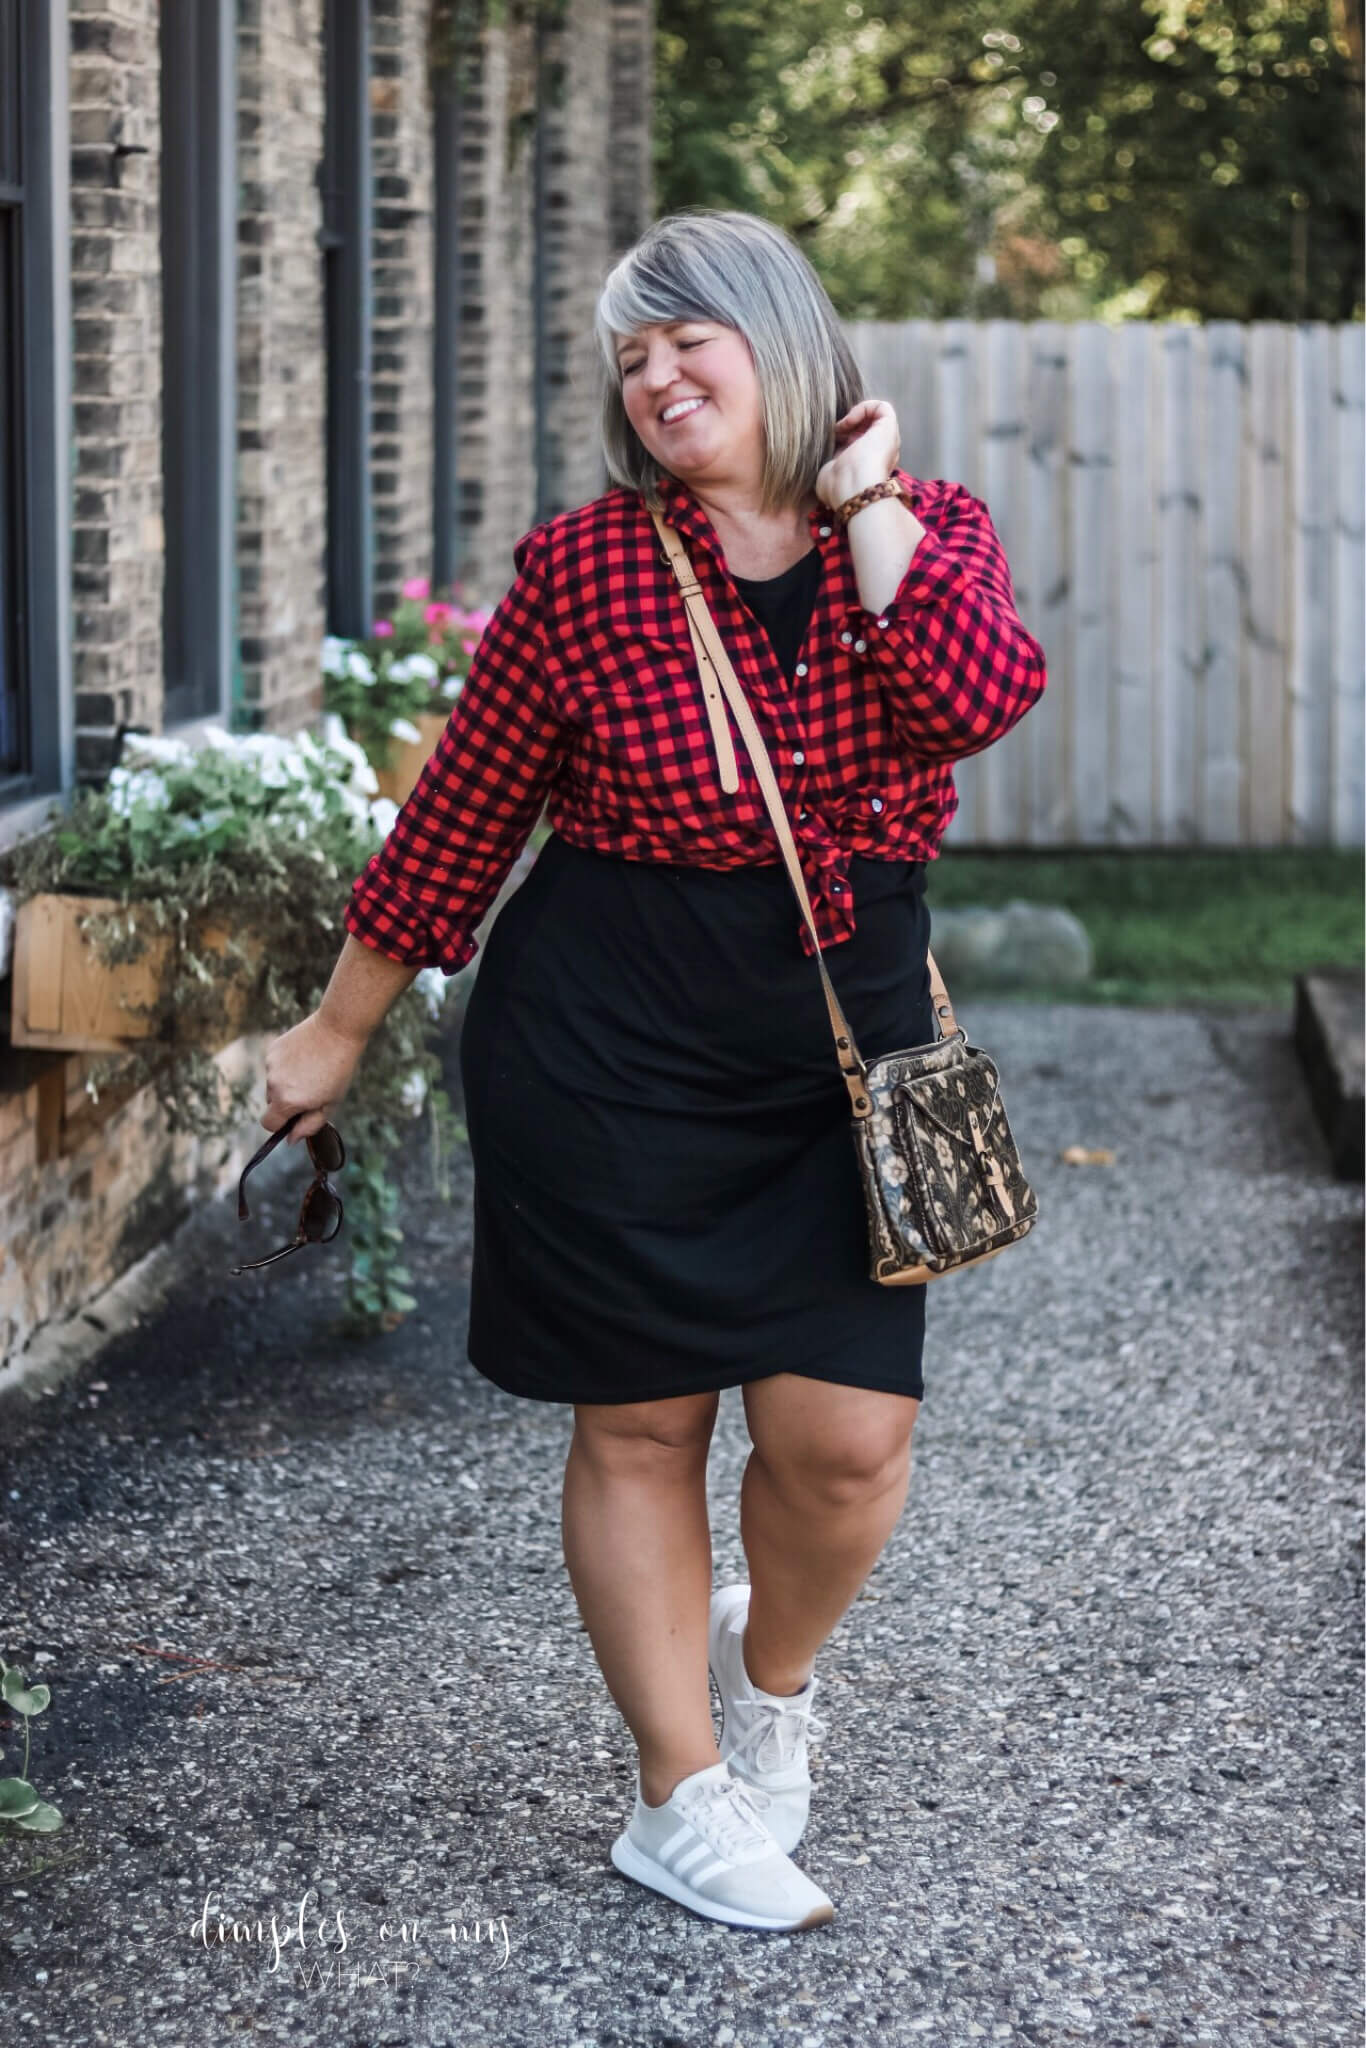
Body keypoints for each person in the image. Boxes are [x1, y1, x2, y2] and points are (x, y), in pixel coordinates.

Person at [260, 209, 1047, 1933]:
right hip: (606, 1041)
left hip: (839, 1053)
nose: (656, 375)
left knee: (849, 1444)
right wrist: (335, 1031)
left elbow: (977, 696)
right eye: (629, 354)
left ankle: (765, 1692)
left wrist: (860, 510)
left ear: (780, 343)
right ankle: (676, 1792)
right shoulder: (587, 570)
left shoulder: (928, 539)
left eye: (686, 337)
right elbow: (461, 814)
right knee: (642, 1418)